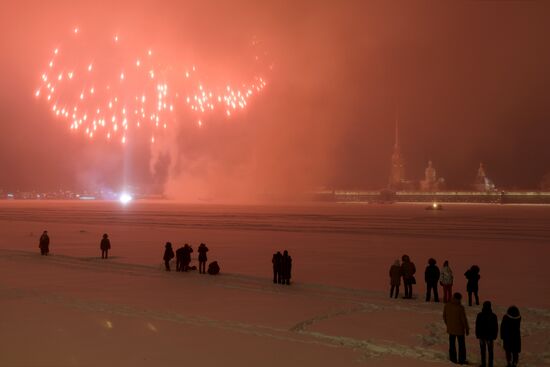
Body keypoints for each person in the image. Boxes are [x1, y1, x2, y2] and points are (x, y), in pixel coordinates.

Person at [443, 292, 469, 365]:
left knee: (452, 344)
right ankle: (461, 360)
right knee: (461, 345)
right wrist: (466, 328)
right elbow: (463, 319)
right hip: (459, 330)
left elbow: (444, 316)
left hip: (450, 329)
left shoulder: (447, 305)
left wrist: (448, 324)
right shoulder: (460, 308)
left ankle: (453, 359)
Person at [475, 301, 498, 367]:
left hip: (481, 336)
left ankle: (483, 364)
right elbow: (495, 327)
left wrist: (477, 335)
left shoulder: (480, 315)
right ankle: (490, 364)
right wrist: (495, 336)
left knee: (483, 351)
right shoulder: (493, 316)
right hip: (490, 337)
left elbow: (477, 326)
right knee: (490, 352)